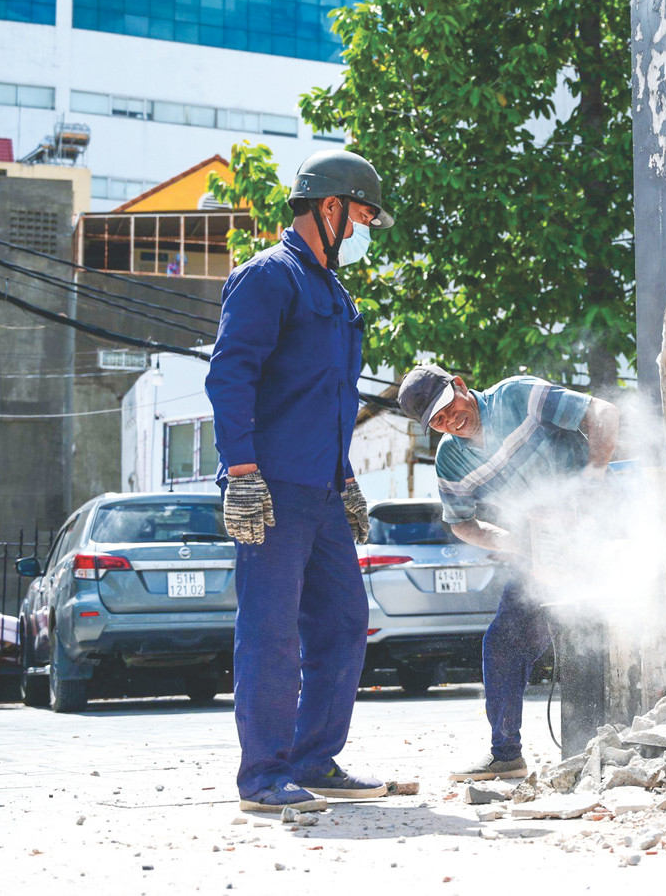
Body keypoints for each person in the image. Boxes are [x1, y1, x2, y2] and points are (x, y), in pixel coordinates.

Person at [206, 149, 394, 814]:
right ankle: (262, 775)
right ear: (330, 206)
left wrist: (345, 480)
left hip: (319, 489)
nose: (361, 231)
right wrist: (244, 473)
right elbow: (230, 376)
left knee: (344, 621)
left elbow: (332, 399)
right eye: (360, 217)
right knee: (271, 631)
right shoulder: (268, 278)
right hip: (274, 488)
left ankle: (315, 758)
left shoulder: (336, 297)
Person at [396, 365, 620, 780]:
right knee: (503, 642)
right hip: (546, 550)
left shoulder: (518, 395)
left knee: (610, 627)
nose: (451, 422)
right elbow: (462, 523)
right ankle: (506, 754)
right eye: (439, 421)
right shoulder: (450, 458)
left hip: (601, 524)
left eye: (449, 407)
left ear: (460, 386)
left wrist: (592, 478)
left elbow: (603, 412)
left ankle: (633, 737)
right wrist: (518, 543)